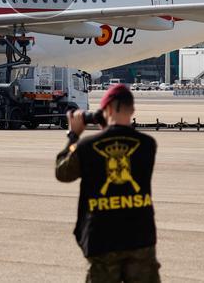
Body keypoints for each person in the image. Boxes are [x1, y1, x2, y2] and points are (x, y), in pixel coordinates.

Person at [55, 84, 160, 282]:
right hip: (140, 237)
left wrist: (73, 135)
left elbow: (62, 172)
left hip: (102, 238)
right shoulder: (147, 144)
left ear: (108, 109)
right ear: (132, 111)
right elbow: (123, 138)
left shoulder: (87, 146)